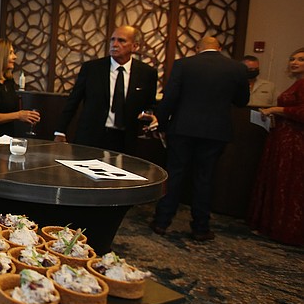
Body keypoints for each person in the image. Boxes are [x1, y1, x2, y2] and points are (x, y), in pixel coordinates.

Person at [151, 36, 250, 241]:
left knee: (175, 175)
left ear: (197, 48)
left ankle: (161, 222)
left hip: (183, 129)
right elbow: (242, 101)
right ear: (220, 48)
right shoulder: (237, 68)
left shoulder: (183, 65)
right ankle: (200, 227)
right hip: (216, 131)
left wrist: (160, 123)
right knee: (205, 178)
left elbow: (169, 97)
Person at [54, 25, 158, 154]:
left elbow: (150, 104)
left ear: (135, 46)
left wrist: (151, 115)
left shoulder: (147, 73)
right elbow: (73, 101)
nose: (114, 44)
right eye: (112, 40)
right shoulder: (92, 69)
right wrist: (60, 131)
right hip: (92, 137)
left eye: (121, 40)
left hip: (126, 139)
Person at [247, 47, 304, 246]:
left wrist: (275, 109)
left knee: (290, 183)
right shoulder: (296, 83)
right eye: (292, 58)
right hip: (284, 137)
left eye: (301, 59)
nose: (295, 62)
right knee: (280, 180)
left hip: (296, 140)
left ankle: (288, 229)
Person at [0, 38, 39, 136]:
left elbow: (9, 113)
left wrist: (26, 117)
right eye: (10, 53)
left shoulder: (8, 82)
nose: (15, 57)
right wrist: (18, 115)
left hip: (6, 137)